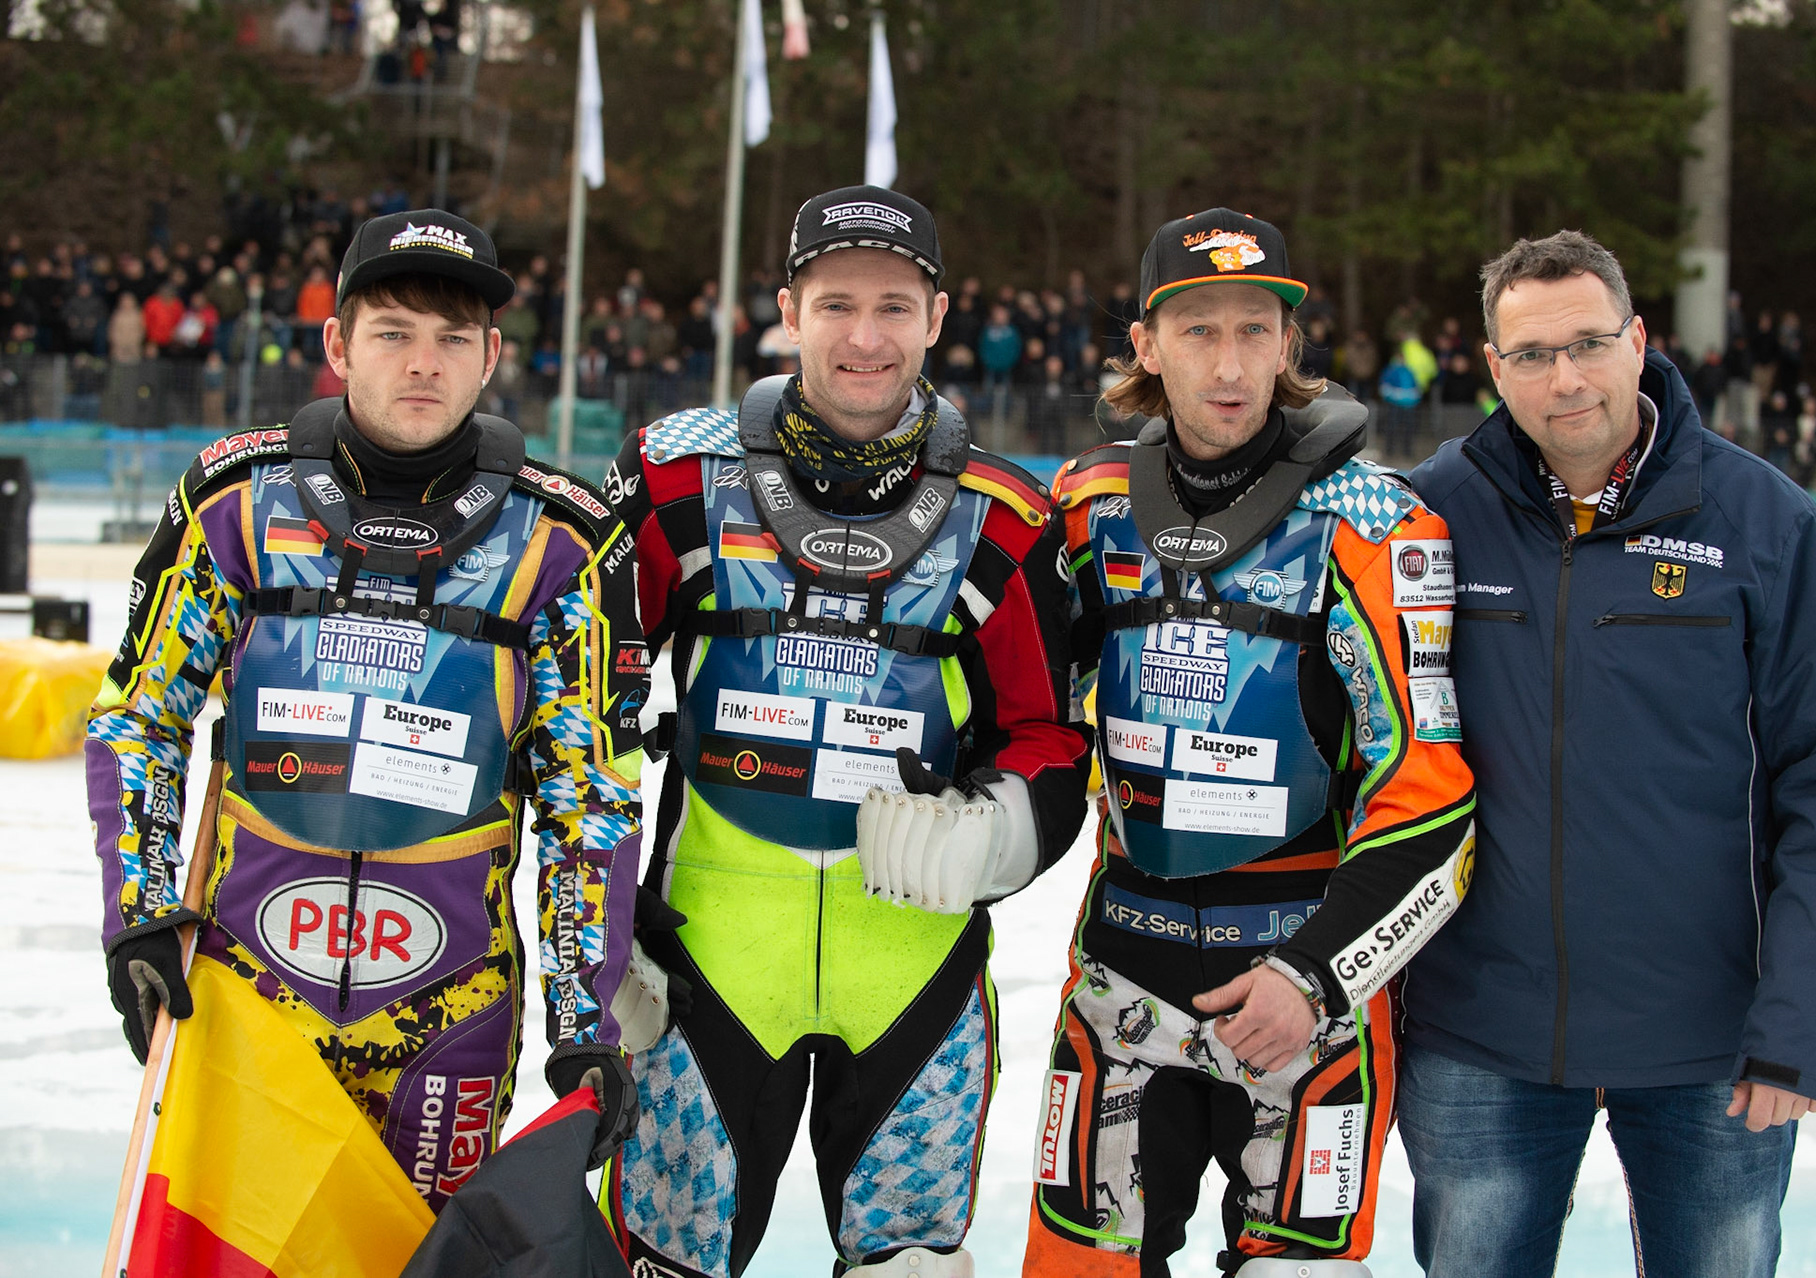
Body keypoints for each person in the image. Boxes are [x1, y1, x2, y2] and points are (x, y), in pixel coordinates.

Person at [88, 209, 651, 1214]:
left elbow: (587, 800)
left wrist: (584, 1021)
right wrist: (136, 918)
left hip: (452, 1013)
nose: (423, 363)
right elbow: (143, 717)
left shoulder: (564, 540)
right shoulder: (235, 499)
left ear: (491, 359)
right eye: (394, 332)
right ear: (339, 344)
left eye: (453, 338)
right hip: (243, 993)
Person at [597, 185, 1091, 1277]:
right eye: (835, 305)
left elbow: (1052, 737)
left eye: (894, 306)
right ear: (787, 309)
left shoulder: (1005, 516)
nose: (864, 337)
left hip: (912, 971)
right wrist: (600, 914)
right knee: (659, 1263)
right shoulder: (676, 480)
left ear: (939, 315)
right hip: (707, 959)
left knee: (913, 1269)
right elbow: (582, 704)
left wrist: (995, 833)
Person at [1401, 230, 1816, 1278]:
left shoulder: (1766, 522)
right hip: (1481, 1032)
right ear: (1491, 368)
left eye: (1588, 343)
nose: (1564, 377)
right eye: (1531, 354)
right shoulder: (1427, 516)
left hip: (1712, 1043)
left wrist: (1797, 1024)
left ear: (1638, 341)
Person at [1024, 209, 1476, 1278]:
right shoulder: (1087, 508)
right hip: (1119, 990)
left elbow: (1435, 801)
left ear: (1289, 344)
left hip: (1306, 1003)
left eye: (1254, 331)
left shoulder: (1375, 523)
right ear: (1144, 345)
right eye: (1196, 331)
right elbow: (1028, 721)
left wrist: (1316, 976)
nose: (1229, 366)